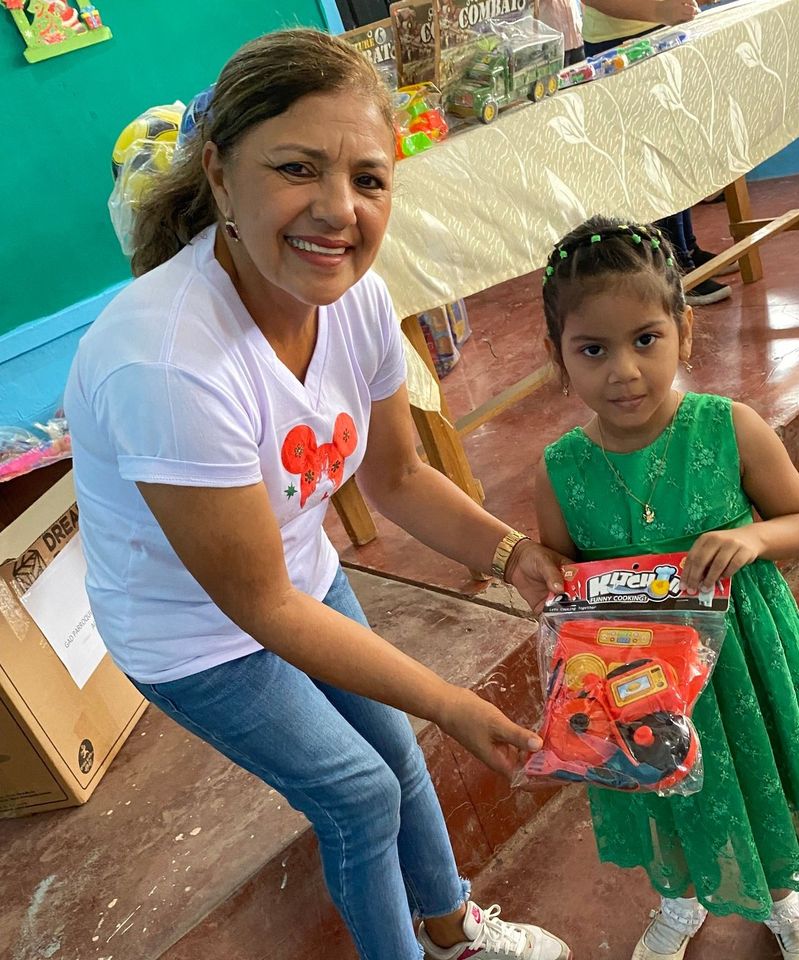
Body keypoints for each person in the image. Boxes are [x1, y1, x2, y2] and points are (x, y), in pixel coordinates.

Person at [64, 28, 572, 960]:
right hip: (193, 637)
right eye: (297, 168)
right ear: (220, 175)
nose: (338, 211)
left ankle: (453, 931)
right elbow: (260, 607)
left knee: (395, 753)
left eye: (368, 179)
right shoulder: (169, 361)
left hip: (298, 573)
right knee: (358, 791)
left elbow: (398, 477)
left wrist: (513, 556)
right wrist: (452, 701)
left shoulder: (357, 300)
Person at [534, 216, 799, 960]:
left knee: (761, 774)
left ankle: (789, 903)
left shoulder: (730, 428)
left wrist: (752, 538)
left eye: (645, 339)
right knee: (663, 789)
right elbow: (557, 575)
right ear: (558, 358)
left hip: (742, 660)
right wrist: (545, 582)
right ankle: (680, 897)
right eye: (592, 349)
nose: (623, 370)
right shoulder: (559, 468)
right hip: (634, 681)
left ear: (684, 332)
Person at [581, 0, 738, 305]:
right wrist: (658, 11)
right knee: (652, 156)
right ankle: (670, 268)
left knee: (676, 144)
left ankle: (686, 248)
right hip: (620, 41)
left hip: (664, 27)